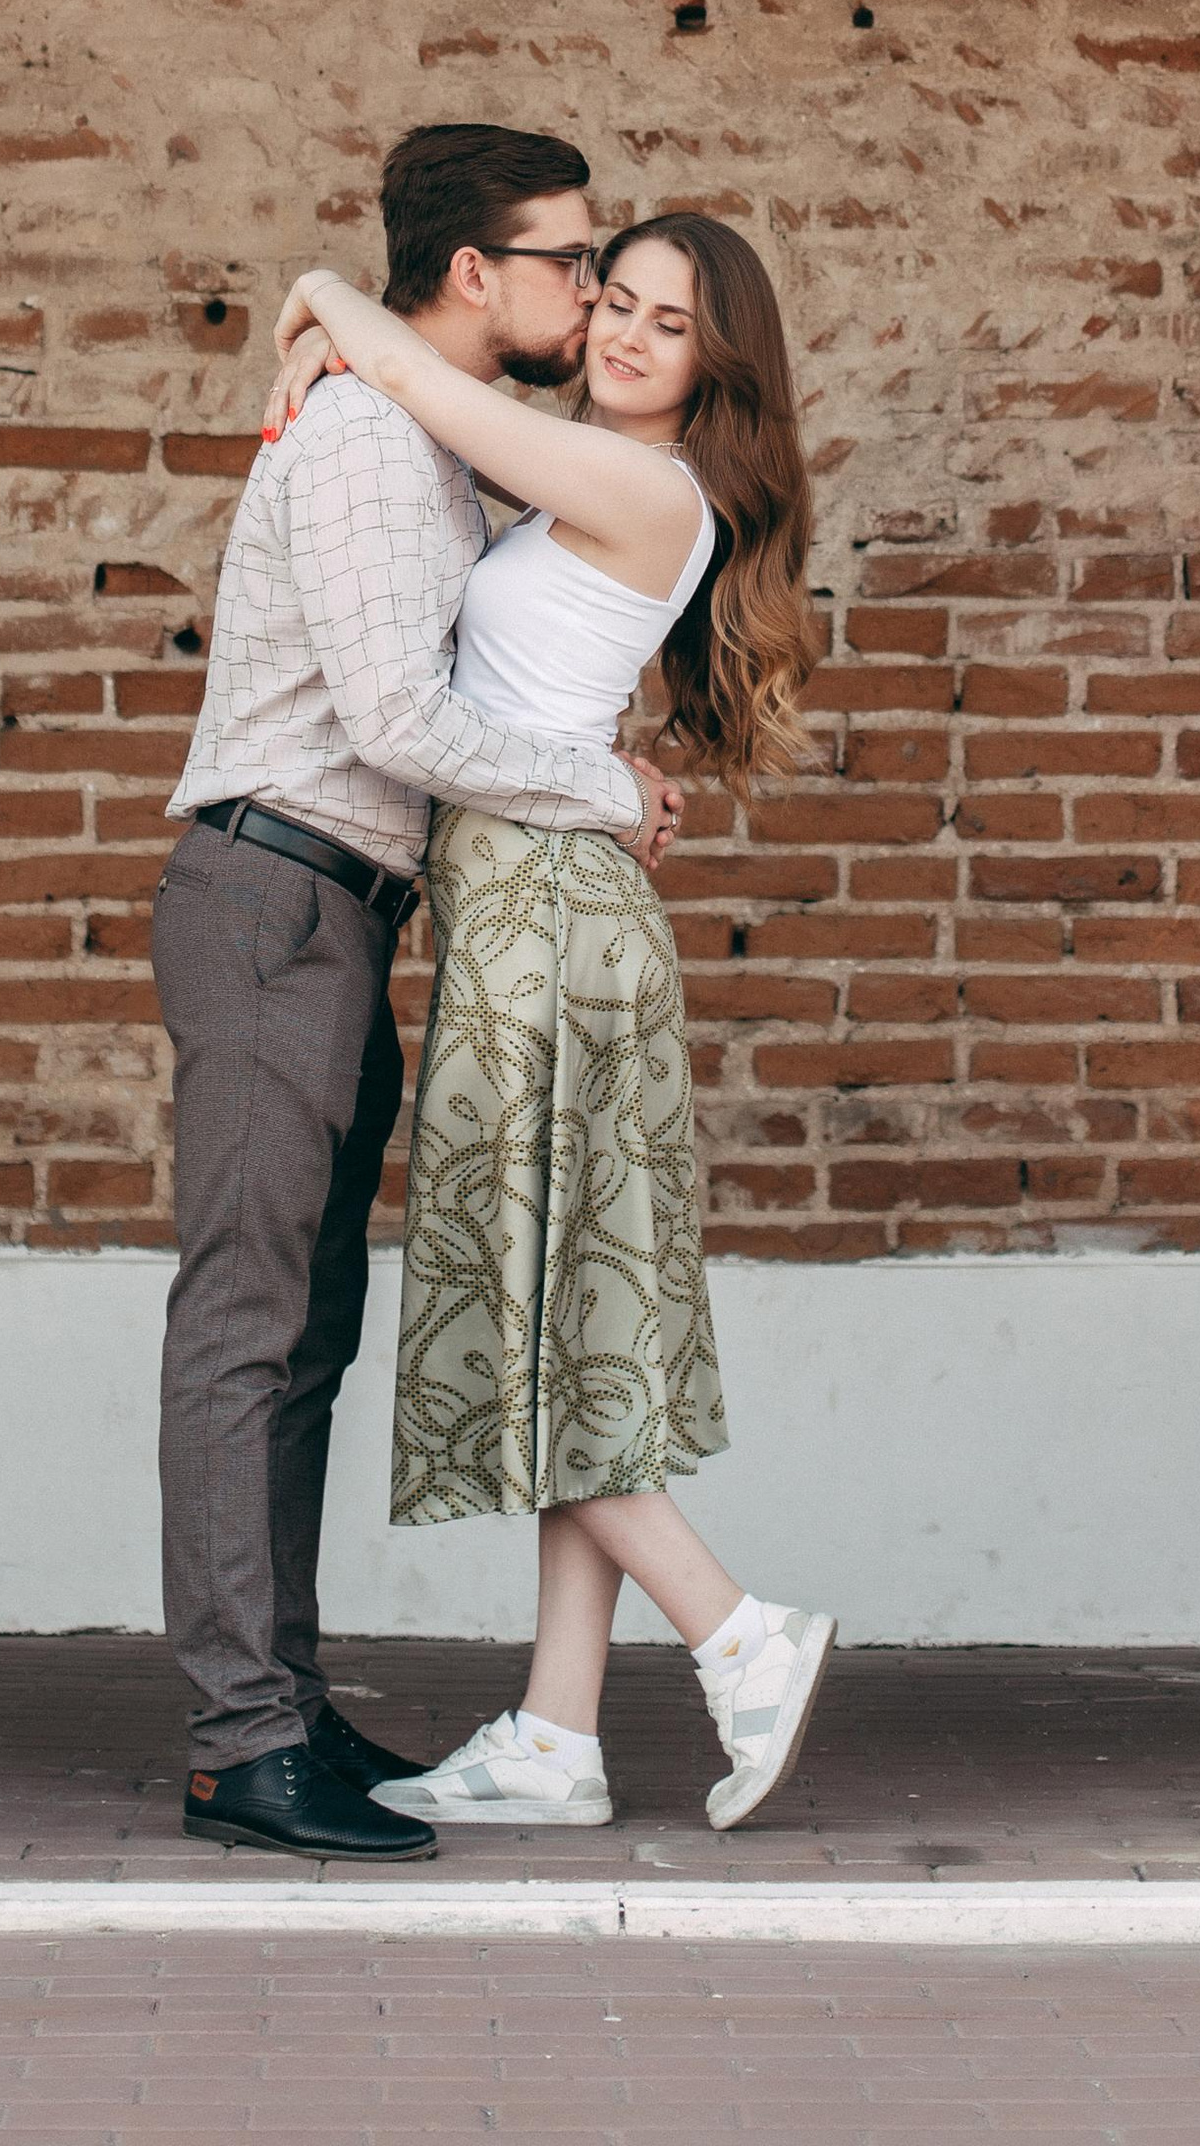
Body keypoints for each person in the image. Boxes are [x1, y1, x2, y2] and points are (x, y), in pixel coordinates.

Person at [259, 208, 834, 1834]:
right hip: (536, 908)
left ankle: (737, 1634)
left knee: (526, 1325)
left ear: (718, 366)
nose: (632, 334)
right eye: (620, 304)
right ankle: (557, 1733)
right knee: (563, 1315)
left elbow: (428, 393)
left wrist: (316, 294)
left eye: (671, 321)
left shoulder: (650, 488)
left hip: (550, 927)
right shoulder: (588, 477)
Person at [153, 123, 686, 1864]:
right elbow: (396, 722)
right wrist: (605, 788)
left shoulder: (428, 440)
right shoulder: (381, 450)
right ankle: (243, 1745)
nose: (592, 292)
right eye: (568, 262)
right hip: (273, 896)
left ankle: (280, 1702)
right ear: (479, 275)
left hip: (334, 910)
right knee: (249, 1325)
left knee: (305, 1330)